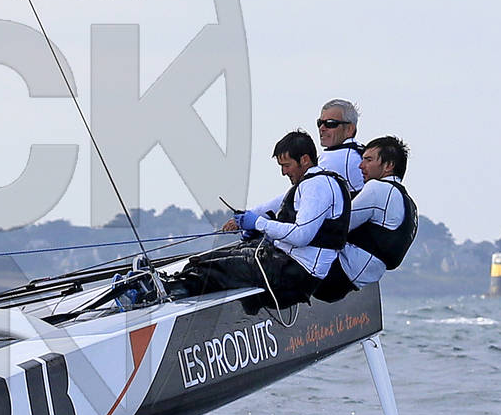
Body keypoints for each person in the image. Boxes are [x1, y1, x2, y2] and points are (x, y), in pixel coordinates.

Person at [178, 131, 351, 309]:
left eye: (287, 165)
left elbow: (301, 235)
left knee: (209, 269)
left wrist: (258, 223)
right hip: (286, 266)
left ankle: (174, 295)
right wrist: (260, 231)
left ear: (305, 159)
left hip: (294, 276)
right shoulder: (314, 183)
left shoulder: (317, 186)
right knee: (205, 260)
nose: (284, 172)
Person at [314, 135, 418, 299]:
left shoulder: (379, 189)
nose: (361, 165)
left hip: (335, 273)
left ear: (389, 165)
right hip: (355, 280)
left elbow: (339, 225)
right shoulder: (409, 203)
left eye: (368, 160)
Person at [316, 99, 365, 193]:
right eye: (319, 123)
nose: (322, 128)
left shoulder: (337, 157)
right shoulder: (360, 152)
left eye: (330, 123)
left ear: (349, 129)